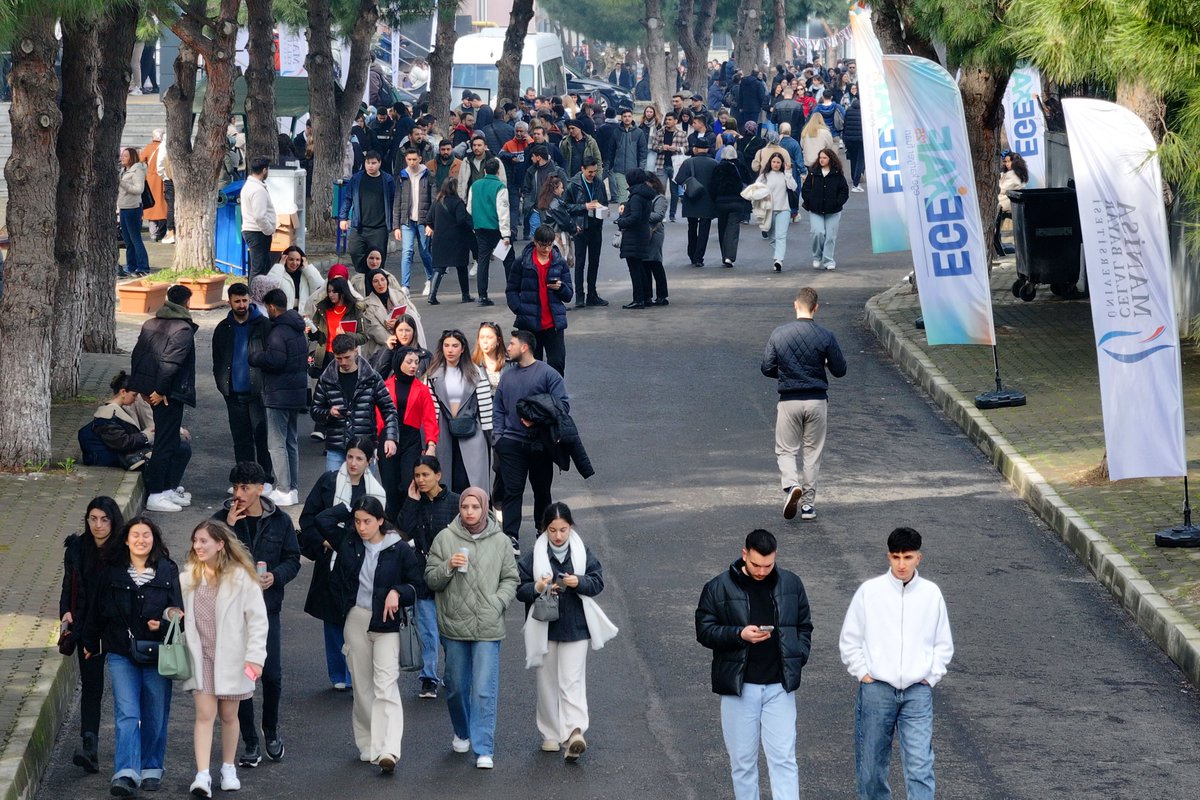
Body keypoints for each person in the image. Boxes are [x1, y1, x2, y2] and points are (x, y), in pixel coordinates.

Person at [695, 528, 813, 800]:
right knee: (743, 764)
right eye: (756, 564)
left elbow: (804, 625)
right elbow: (704, 631)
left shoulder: (791, 584)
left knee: (784, 760)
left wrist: (798, 655)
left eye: (768, 565)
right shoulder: (717, 587)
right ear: (744, 554)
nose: (762, 571)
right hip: (740, 688)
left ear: (775, 557)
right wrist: (739, 634)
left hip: (779, 688)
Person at [839, 527, 954, 800]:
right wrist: (864, 674)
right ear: (888, 557)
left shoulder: (931, 594)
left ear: (919, 558)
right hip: (877, 689)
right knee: (871, 768)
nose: (901, 564)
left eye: (907, 557)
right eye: (895, 557)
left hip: (917, 691)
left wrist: (931, 676)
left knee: (920, 766)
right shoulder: (870, 591)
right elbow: (850, 639)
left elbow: (943, 642)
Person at [81, 517, 182, 797]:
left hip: (158, 653)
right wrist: (90, 641)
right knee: (127, 713)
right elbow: (96, 609)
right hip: (121, 653)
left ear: (154, 539)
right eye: (135, 535)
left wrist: (162, 624)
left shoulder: (167, 570)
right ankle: (125, 772)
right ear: (126, 540)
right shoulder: (112, 572)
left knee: (155, 713)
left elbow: (179, 614)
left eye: (146, 535)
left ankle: (151, 769)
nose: (141, 540)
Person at [212, 462, 302, 768]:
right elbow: (205, 561)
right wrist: (228, 527)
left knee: (272, 676)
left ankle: (271, 731)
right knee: (242, 679)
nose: (239, 494)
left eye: (245, 488)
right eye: (236, 488)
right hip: (232, 614)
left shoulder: (279, 521)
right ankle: (250, 740)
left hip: (266, 610)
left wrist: (275, 576)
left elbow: (293, 558)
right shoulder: (220, 522)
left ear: (260, 489)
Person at [424, 488, 519, 770]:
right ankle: (462, 731)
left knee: (483, 690)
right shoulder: (445, 538)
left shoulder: (500, 541)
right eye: (464, 506)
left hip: (488, 625)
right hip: (454, 624)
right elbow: (430, 579)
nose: (469, 512)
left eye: (474, 507)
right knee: (454, 687)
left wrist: (497, 602)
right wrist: (448, 566)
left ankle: (483, 748)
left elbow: (511, 579)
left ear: (484, 508)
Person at [328, 496, 424, 773]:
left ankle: (389, 749)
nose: (361, 527)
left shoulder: (399, 549)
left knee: (385, 685)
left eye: (367, 521)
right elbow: (319, 524)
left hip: (388, 625)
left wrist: (398, 592)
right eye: (357, 521)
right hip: (357, 618)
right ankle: (368, 743)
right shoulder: (349, 542)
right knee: (361, 687)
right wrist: (345, 608)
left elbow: (417, 585)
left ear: (381, 520)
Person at [516, 503, 617, 762]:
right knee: (547, 682)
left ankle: (574, 732)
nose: (558, 535)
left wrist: (578, 582)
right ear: (544, 529)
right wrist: (537, 586)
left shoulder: (582, 552)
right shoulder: (534, 555)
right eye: (552, 530)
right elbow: (519, 588)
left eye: (563, 529)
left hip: (576, 626)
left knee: (571, 680)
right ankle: (550, 733)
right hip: (544, 625)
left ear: (571, 527)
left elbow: (598, 581)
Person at [181, 521, 269, 798]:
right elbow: (175, 609)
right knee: (204, 715)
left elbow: (258, 621)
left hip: (233, 658)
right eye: (196, 540)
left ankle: (228, 768)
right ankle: (202, 775)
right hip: (201, 656)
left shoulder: (242, 577)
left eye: (204, 540)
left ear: (220, 544)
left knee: (230, 715)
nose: (198, 546)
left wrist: (255, 658)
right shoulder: (187, 578)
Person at [299, 437, 387, 692]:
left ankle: (355, 672)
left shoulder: (376, 492)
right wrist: (325, 542)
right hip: (331, 559)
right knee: (332, 618)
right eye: (349, 457)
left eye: (359, 458)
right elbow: (308, 518)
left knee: (358, 617)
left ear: (369, 462)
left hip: (363, 561)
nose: (353, 463)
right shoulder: (328, 481)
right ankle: (337, 672)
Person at [761, 287, 847, 521]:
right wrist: (824, 364)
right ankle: (808, 505)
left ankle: (791, 486)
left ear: (794, 305)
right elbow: (841, 370)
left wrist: (787, 373)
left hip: (789, 400)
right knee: (812, 453)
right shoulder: (826, 335)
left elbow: (766, 367)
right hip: (817, 400)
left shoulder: (779, 333)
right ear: (816, 308)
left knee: (786, 450)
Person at [60, 497, 125, 775]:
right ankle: (90, 746)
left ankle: (131, 751)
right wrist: (65, 613)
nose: (98, 525)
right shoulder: (76, 548)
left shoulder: (124, 550)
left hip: (117, 627)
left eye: (104, 519)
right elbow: (68, 584)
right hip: (86, 627)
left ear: (113, 520)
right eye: (93, 519)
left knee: (125, 691)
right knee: (92, 686)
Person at [494, 330, 570, 553]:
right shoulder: (507, 375)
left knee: (542, 491)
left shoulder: (548, 374)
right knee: (512, 491)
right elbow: (498, 407)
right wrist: (499, 438)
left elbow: (562, 406)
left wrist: (537, 419)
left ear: (524, 347)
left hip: (540, 445)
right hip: (511, 444)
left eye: (512, 344)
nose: (508, 347)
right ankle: (511, 536)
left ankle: (542, 530)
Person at [128, 283, 197, 512]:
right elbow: (170, 364)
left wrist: (143, 390)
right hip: (168, 394)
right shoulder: (183, 329)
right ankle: (157, 494)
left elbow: (139, 357)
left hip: (154, 392)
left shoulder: (150, 323)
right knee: (166, 444)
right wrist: (160, 391)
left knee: (168, 442)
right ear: (187, 302)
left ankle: (167, 489)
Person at [400, 456, 460, 700]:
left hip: (451, 573)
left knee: (450, 631)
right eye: (417, 475)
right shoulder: (415, 501)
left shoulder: (456, 502)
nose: (421, 480)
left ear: (439, 475)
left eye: (426, 474)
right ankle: (428, 677)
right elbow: (402, 529)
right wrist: (411, 502)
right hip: (422, 573)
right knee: (427, 629)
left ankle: (453, 674)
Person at [251, 289, 309, 508]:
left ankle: (283, 488)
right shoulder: (297, 329)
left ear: (272, 307)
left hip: (278, 394)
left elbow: (275, 360)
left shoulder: (277, 332)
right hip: (296, 393)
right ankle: (292, 488)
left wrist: (256, 357)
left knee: (276, 444)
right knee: (291, 441)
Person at [213, 282, 274, 490]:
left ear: (250, 300)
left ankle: (266, 479)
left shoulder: (263, 325)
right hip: (233, 394)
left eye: (244, 300)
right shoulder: (223, 328)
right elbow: (217, 360)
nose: (241, 305)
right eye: (237, 301)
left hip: (258, 393)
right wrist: (222, 385)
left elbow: (271, 356)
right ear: (229, 301)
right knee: (241, 440)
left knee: (262, 437)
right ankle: (244, 481)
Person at [312, 334, 400, 472]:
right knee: (334, 490)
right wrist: (329, 413)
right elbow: (315, 410)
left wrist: (391, 437)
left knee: (363, 492)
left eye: (347, 357)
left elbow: (389, 409)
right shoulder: (326, 379)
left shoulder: (372, 378)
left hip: (364, 447)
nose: (344, 362)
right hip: (337, 446)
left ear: (356, 351)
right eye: (339, 358)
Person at [426, 329, 495, 493]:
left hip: (473, 433)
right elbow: (432, 410)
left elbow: (485, 408)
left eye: (455, 346)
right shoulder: (433, 374)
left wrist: (492, 439)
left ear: (462, 348)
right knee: (447, 481)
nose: (450, 350)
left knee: (472, 481)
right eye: (447, 345)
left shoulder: (476, 372)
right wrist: (431, 442)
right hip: (444, 434)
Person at [378, 346, 438, 519]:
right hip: (388, 438)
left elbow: (430, 419)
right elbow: (378, 416)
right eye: (409, 362)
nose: (414, 366)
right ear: (399, 362)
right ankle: (392, 525)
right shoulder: (385, 386)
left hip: (411, 440)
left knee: (408, 483)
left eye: (416, 362)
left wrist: (431, 444)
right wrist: (375, 443)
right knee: (389, 486)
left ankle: (408, 523)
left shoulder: (422, 389)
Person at [507, 227, 574, 373]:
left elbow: (569, 295)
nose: (546, 248)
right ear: (535, 242)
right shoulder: (522, 263)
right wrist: (519, 309)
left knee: (557, 363)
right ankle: (533, 395)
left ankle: (555, 394)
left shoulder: (559, 263)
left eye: (550, 244)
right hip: (529, 323)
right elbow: (511, 290)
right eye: (543, 244)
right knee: (530, 366)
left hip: (553, 323)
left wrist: (560, 287)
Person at [85, 370, 180, 473]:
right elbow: (123, 442)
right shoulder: (107, 415)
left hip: (125, 454)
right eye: (134, 395)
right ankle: (164, 488)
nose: (135, 399)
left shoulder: (118, 410)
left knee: (176, 448)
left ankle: (168, 487)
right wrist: (145, 436)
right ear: (123, 392)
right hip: (117, 458)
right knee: (175, 450)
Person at [466, 157, 514, 307]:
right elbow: (503, 212)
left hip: (480, 228)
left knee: (483, 260)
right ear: (498, 171)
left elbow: (469, 208)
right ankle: (512, 292)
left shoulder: (475, 185)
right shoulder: (500, 187)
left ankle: (482, 295)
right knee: (508, 260)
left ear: (485, 170)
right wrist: (506, 234)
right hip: (497, 229)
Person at [562, 156, 609, 309]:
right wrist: (584, 206)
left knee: (594, 262)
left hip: (596, 227)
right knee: (580, 263)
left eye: (595, 171)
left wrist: (604, 210)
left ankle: (592, 294)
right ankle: (580, 295)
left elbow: (605, 202)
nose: (592, 174)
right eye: (590, 172)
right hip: (581, 228)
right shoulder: (573, 184)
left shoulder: (599, 183)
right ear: (582, 169)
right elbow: (566, 206)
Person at [340, 150, 397, 274]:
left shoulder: (387, 180)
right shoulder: (356, 178)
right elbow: (348, 198)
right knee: (355, 251)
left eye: (373, 163)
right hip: (359, 226)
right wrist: (343, 218)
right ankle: (363, 276)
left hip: (379, 228)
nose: (370, 166)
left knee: (377, 260)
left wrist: (394, 223)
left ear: (379, 163)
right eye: (368, 163)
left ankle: (375, 282)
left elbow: (393, 202)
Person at [392, 148, 435, 293]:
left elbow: (434, 200)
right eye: (409, 159)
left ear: (420, 159)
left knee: (424, 252)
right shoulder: (402, 176)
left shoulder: (428, 175)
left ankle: (430, 279)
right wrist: (396, 226)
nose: (412, 162)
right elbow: (397, 200)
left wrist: (431, 223)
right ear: (406, 160)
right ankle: (405, 286)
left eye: (414, 159)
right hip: (407, 220)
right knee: (407, 252)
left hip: (423, 220)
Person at [308, 276, 368, 378]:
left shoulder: (355, 310)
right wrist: (310, 331)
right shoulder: (322, 308)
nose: (331, 294)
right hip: (325, 356)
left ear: (343, 292)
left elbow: (364, 337)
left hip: (346, 356)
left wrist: (346, 335)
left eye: (334, 292)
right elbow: (316, 337)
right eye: (329, 291)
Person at [427, 178, 475, 304]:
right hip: (457, 240)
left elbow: (429, 219)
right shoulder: (458, 202)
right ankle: (465, 295)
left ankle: (432, 295)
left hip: (440, 239)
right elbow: (461, 220)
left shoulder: (437, 202)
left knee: (439, 267)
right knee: (462, 267)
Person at [800, 148, 849, 271]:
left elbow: (844, 191)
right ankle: (817, 256)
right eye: (820, 157)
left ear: (830, 159)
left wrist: (838, 202)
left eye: (824, 158)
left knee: (830, 236)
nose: (821, 160)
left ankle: (828, 260)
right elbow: (805, 189)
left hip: (833, 210)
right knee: (817, 232)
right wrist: (810, 201)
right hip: (815, 209)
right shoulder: (813, 173)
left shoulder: (837, 174)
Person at [614, 169, 655, 308]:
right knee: (641, 267)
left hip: (634, 235)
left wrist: (621, 221)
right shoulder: (645, 194)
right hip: (642, 233)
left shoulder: (636, 196)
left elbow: (635, 217)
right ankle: (646, 296)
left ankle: (639, 299)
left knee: (635, 269)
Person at [360, 266, 416, 364]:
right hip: (382, 348)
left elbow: (413, 315)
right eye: (375, 281)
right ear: (371, 284)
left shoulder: (399, 295)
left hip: (406, 342)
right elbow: (374, 329)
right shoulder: (367, 304)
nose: (380, 284)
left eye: (383, 280)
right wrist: (394, 340)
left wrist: (399, 324)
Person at [675, 146, 718, 268]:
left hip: (692, 199)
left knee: (692, 227)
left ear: (695, 150)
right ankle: (699, 257)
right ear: (707, 149)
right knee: (704, 229)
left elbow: (679, 179)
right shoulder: (714, 163)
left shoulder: (688, 162)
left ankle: (692, 253)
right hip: (708, 200)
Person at [761, 152, 800, 272]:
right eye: (774, 162)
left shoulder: (785, 174)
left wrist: (788, 173)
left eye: (778, 162)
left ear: (782, 163)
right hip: (769, 210)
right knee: (772, 237)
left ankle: (779, 260)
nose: (776, 164)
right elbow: (756, 189)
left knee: (781, 236)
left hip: (784, 209)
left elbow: (793, 187)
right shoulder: (765, 175)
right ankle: (776, 256)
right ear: (770, 163)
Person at [712, 147, 750, 269]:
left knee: (722, 228)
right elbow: (749, 181)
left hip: (721, 202)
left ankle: (724, 255)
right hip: (737, 202)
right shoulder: (741, 167)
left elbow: (712, 185)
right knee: (733, 229)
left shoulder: (718, 167)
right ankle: (730, 256)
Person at [241, 157, 277, 278]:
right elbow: (259, 216)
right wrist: (269, 230)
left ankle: (260, 295)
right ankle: (254, 295)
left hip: (253, 231)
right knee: (258, 269)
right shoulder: (258, 190)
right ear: (264, 170)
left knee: (263, 267)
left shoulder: (249, 185)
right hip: (257, 232)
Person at [117, 147, 150, 277]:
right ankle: (131, 266)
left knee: (135, 238)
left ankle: (143, 266)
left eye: (125, 156)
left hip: (133, 207)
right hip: (123, 207)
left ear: (131, 157)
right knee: (127, 239)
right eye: (122, 156)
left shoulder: (137, 170)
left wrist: (122, 183)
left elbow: (138, 189)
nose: (122, 158)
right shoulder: (123, 171)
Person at [267, 245, 323, 314]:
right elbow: (269, 287)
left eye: (297, 260)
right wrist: (280, 265)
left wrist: (307, 268)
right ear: (285, 259)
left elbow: (320, 288)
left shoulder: (305, 274)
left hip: (303, 317)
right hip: (283, 316)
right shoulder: (280, 273)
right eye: (291, 259)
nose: (294, 263)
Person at [608, 108, 648, 205]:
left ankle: (631, 215)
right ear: (621, 118)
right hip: (619, 169)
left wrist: (641, 167)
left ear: (632, 118)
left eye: (629, 116)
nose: (627, 118)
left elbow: (643, 151)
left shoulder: (639, 132)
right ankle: (623, 216)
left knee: (633, 194)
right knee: (622, 194)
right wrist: (611, 166)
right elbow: (611, 149)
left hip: (634, 170)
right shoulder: (616, 132)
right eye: (625, 116)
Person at [535, 174, 575, 270]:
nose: (562, 190)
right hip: (557, 237)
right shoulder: (555, 204)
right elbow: (565, 221)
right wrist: (574, 228)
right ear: (555, 189)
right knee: (559, 264)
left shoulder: (545, 201)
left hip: (546, 236)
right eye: (561, 188)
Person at [642, 172, 669, 305]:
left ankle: (662, 295)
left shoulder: (660, 198)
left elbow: (658, 216)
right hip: (645, 232)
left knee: (655, 263)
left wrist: (641, 214)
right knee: (645, 264)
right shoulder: (644, 197)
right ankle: (648, 295)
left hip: (655, 232)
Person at [995, 151, 1028, 256]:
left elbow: (1001, 189)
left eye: (1009, 161)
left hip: (1006, 202)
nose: (1007, 164)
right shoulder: (1016, 173)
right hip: (1008, 201)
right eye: (1005, 162)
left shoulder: (1013, 175)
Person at [140, 132, 168, 241]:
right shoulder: (165, 148)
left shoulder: (148, 147)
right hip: (163, 178)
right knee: (163, 205)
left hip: (151, 179)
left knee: (151, 206)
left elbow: (140, 159)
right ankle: (162, 231)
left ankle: (153, 232)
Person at [842, 84, 865, 192]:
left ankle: (853, 178)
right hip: (861, 139)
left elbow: (845, 125)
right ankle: (856, 182)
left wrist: (845, 138)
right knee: (860, 160)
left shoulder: (849, 110)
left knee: (853, 159)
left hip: (850, 139)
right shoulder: (864, 111)